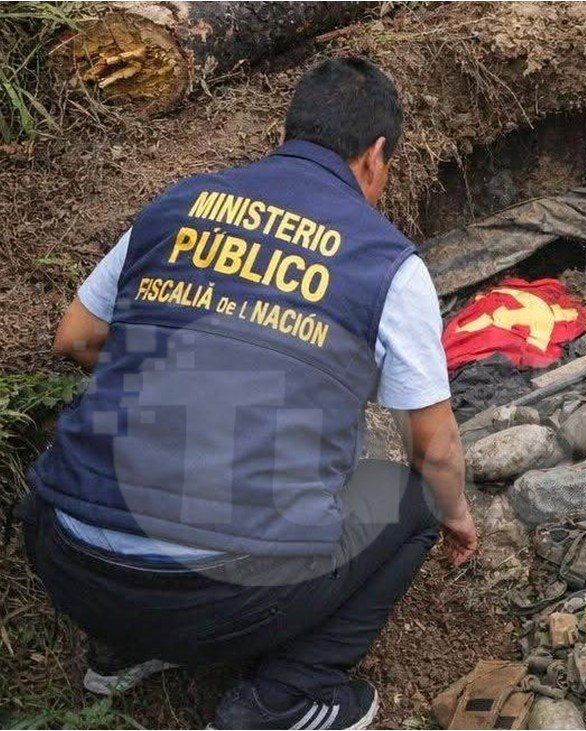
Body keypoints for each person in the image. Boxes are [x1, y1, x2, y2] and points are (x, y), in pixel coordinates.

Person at [21, 58, 478, 730]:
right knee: (412, 498)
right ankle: (288, 691)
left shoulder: (179, 204)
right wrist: (458, 514)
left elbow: (75, 336)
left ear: (289, 131)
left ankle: (118, 650)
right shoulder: (385, 262)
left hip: (64, 553)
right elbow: (434, 445)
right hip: (217, 594)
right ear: (376, 156)